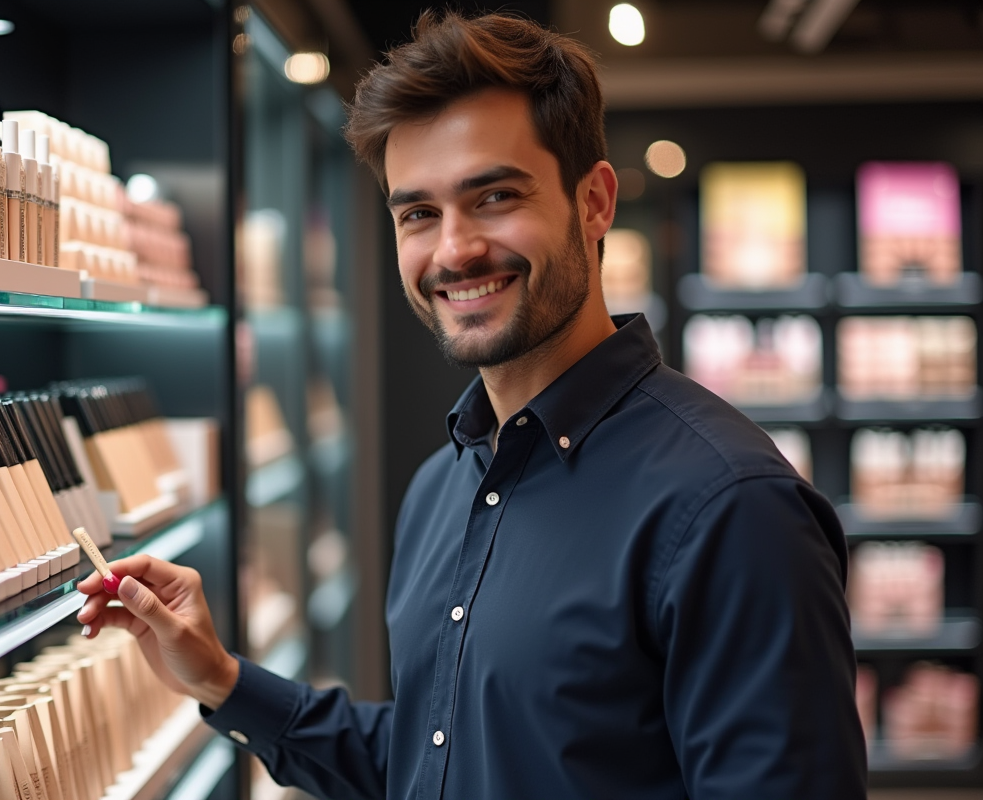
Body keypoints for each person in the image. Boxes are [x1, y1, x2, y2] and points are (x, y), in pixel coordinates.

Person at [77, 10, 867, 800]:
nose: (454, 250)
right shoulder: (442, 487)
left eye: (494, 196)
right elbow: (435, 764)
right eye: (418, 214)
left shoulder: (731, 507)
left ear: (594, 202)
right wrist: (220, 679)